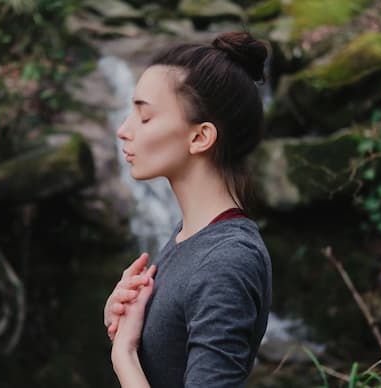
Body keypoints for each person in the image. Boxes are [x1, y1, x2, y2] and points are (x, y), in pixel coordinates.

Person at [103, 31, 273, 388]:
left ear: (200, 137)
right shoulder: (191, 236)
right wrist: (130, 321)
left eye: (145, 118)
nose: (123, 131)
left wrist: (124, 356)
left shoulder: (226, 261)